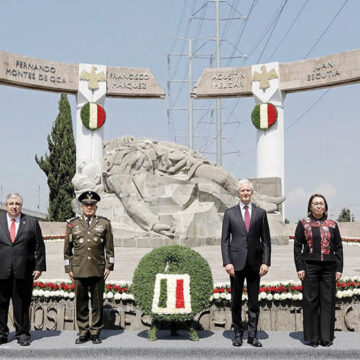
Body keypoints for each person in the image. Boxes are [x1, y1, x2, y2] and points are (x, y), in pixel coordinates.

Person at [221, 179, 271, 347]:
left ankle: (252, 335)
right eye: (242, 190)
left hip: (255, 265)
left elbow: (266, 241)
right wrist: (227, 262)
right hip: (235, 265)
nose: (245, 193)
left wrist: (266, 262)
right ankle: (237, 334)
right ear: (238, 193)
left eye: (248, 191)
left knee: (254, 302)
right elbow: (225, 241)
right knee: (235, 301)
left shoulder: (261, 213)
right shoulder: (229, 213)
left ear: (252, 193)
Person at [64, 190, 114, 344]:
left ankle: (95, 332)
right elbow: (67, 251)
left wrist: (109, 265)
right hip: (79, 270)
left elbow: (109, 248)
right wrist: (69, 268)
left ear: (96, 207)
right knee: (81, 302)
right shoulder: (72, 224)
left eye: (92, 204)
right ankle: (83, 331)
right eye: (86, 204)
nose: (89, 207)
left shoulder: (104, 223)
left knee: (97, 303)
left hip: (98, 269)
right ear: (82, 207)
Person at [294, 193, 343, 347]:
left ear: (325, 206)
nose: (319, 206)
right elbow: (297, 247)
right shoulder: (303, 224)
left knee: (328, 301)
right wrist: (300, 267)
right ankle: (313, 337)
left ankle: (326, 337)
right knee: (311, 300)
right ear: (310, 206)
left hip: (329, 268)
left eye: (321, 203)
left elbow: (338, 247)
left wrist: (339, 268)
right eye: (315, 203)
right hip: (310, 267)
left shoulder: (333, 224)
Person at [0, 193, 46, 346]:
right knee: (1, 304)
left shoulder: (31, 222)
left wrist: (39, 267)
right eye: (11, 203)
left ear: (21, 205)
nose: (14, 206)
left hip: (24, 271)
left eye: (17, 204)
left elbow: (39, 246)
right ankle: (1, 334)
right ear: (6, 206)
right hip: (1, 271)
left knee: (22, 304)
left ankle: (23, 334)